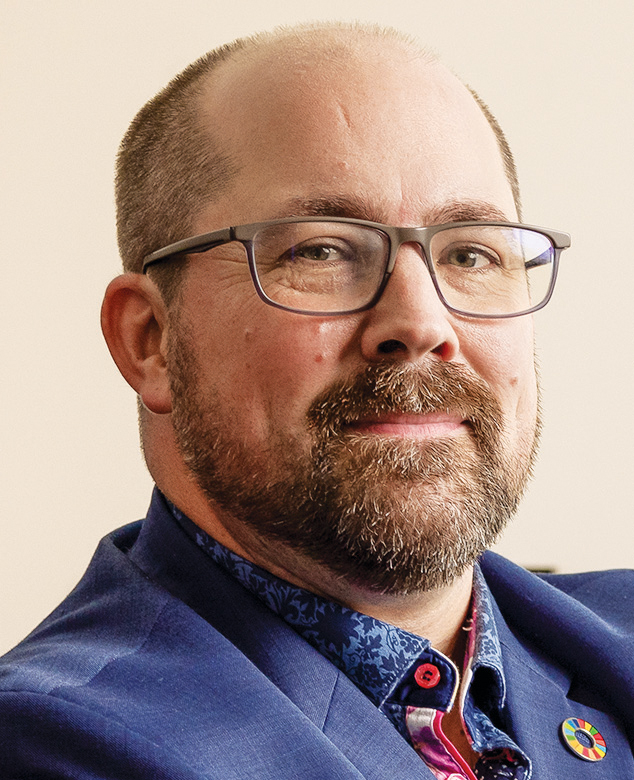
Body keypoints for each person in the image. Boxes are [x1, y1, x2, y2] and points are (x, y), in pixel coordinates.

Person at [0, 22, 632, 780]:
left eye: (471, 253)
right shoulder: (55, 745)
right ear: (151, 341)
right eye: (321, 250)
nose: (423, 324)